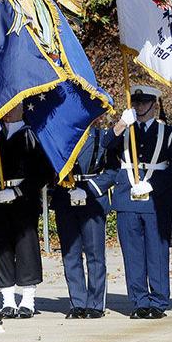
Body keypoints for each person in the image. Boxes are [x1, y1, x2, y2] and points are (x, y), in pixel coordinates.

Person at [102, 85, 172, 319]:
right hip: (127, 199)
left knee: (157, 252)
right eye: (136, 101)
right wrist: (120, 124)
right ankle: (139, 301)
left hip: (155, 200)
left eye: (144, 102)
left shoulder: (169, 132)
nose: (139, 106)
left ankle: (158, 301)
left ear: (154, 104)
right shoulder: (125, 130)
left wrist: (154, 184)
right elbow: (105, 145)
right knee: (133, 253)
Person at [0, 105, 51, 318]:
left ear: (22, 107)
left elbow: (44, 171)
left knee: (26, 247)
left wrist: (18, 191)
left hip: (23, 198)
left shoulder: (32, 134)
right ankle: (7, 299)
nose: (7, 110)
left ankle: (27, 299)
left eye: (12, 105)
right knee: (1, 246)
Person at [52, 120, 113, 319]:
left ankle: (95, 304)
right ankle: (77, 302)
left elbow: (113, 170)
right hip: (65, 197)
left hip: (92, 200)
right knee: (71, 254)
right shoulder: (59, 137)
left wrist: (90, 190)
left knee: (95, 253)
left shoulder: (102, 137)